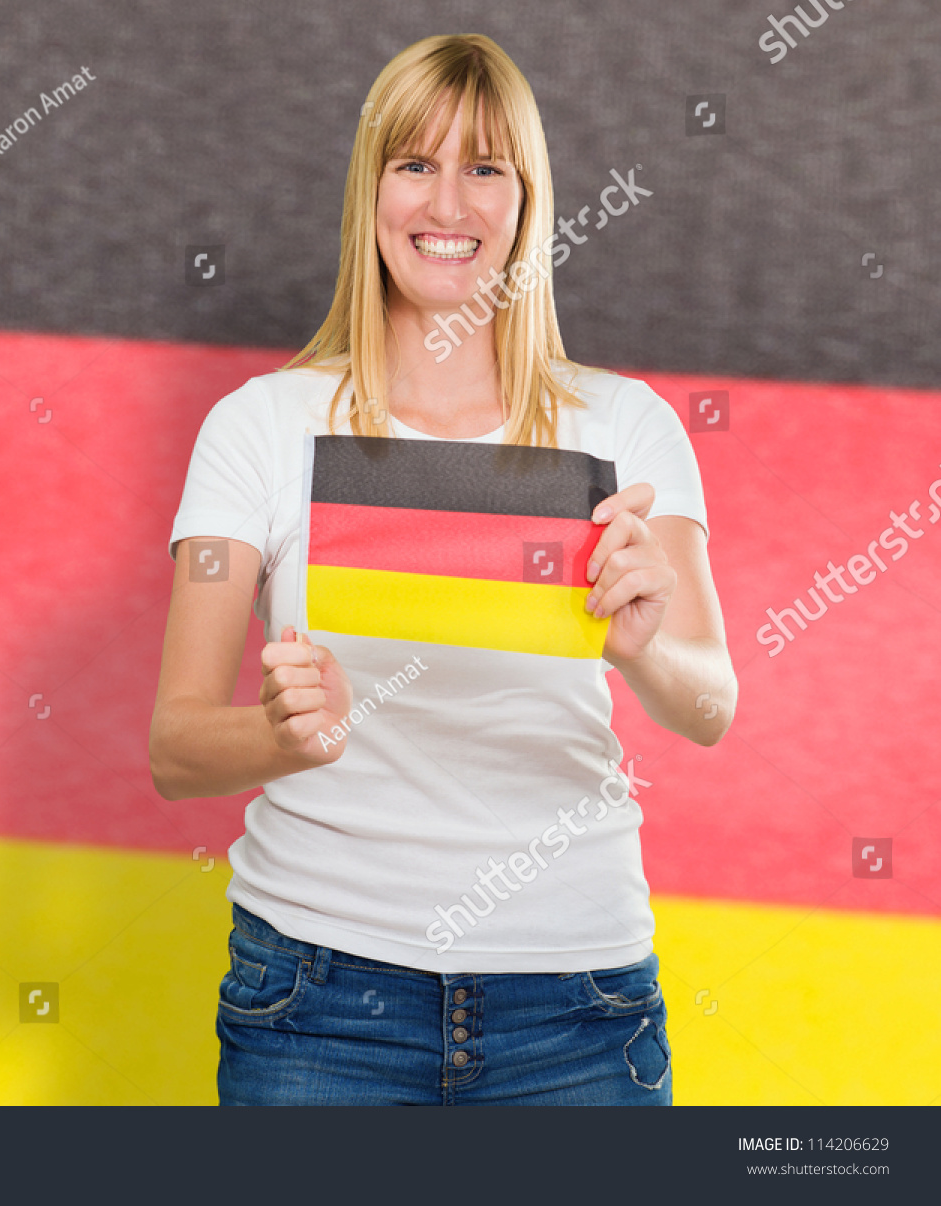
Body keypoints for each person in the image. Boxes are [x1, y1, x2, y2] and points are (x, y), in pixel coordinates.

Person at [148, 33, 737, 1105]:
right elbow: (177, 747)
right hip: (316, 1004)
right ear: (370, 189)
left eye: (485, 168)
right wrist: (279, 735)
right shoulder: (259, 427)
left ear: (528, 198)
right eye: (414, 164)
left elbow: (709, 706)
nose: (447, 204)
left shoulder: (627, 426)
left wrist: (645, 650)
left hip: (577, 1006)